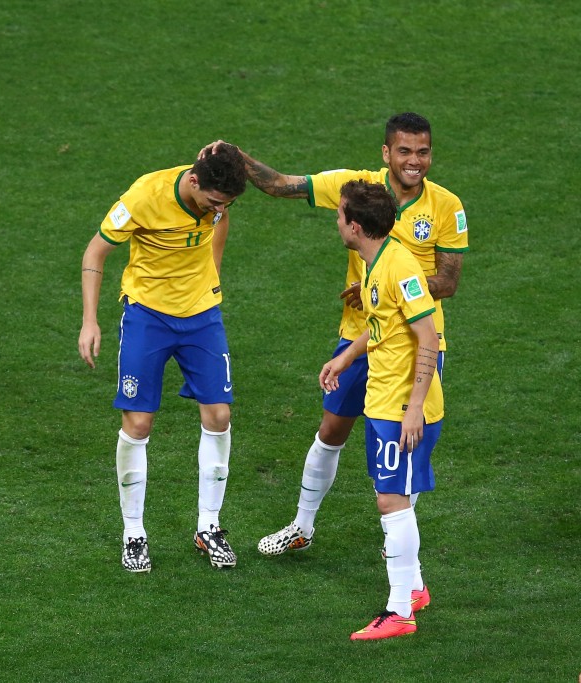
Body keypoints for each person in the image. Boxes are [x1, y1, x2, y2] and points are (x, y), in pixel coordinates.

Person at [210, 113, 466, 610]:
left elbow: (448, 282)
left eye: (424, 152)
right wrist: (233, 156)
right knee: (332, 430)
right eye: (405, 152)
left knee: (401, 461)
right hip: (362, 337)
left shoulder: (446, 208)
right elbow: (283, 185)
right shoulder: (357, 189)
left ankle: (405, 569)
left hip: (412, 345)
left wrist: (386, 288)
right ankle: (303, 526)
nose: (415, 161)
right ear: (386, 154)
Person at [78, 143, 247, 573]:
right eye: (213, 201)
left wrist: (212, 275)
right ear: (193, 181)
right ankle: (133, 533)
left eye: (224, 204)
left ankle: (208, 527)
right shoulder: (143, 197)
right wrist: (90, 322)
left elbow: (220, 222)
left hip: (201, 317)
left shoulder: (217, 194)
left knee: (219, 416)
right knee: (138, 422)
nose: (218, 210)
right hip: (148, 316)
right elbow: (95, 253)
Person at [320, 179, 443, 639]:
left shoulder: (399, 268)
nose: (337, 222)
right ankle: (413, 589)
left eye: (339, 216)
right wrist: (346, 356)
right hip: (384, 401)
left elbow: (427, 338)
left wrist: (413, 409)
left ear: (354, 226)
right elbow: (382, 328)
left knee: (390, 500)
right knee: (398, 497)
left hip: (400, 406)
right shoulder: (376, 263)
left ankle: (399, 613)